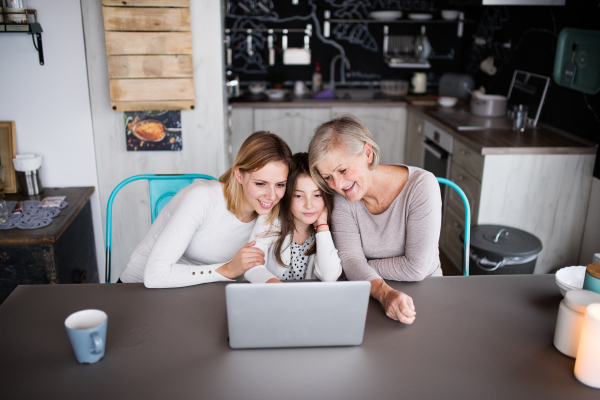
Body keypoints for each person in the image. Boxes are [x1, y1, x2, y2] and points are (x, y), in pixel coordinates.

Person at [308, 115, 442, 324]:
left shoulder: (422, 186)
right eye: (328, 177)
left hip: (425, 291)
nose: (338, 184)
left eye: (342, 170)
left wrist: (361, 267)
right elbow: (351, 260)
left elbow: (416, 268)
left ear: (368, 153)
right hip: (371, 295)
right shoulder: (343, 198)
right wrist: (383, 292)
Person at [119, 131, 293, 288]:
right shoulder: (202, 197)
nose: (271, 195)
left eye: (280, 185)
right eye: (260, 184)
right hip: (137, 289)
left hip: (197, 292)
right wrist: (228, 269)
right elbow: (154, 275)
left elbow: (256, 268)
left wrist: (278, 288)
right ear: (239, 174)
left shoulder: (268, 211)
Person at [248, 152, 342, 282]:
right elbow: (252, 267)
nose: (309, 205)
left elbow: (330, 276)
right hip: (274, 297)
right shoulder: (269, 219)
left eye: (317, 195)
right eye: (298, 196)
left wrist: (322, 226)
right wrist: (277, 288)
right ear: (287, 196)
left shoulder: (332, 226)